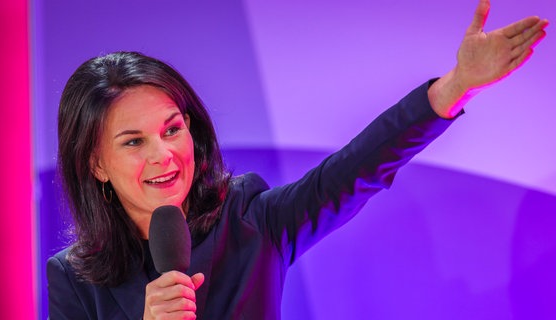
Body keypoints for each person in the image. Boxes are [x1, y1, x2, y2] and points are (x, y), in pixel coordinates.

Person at [46, 1, 548, 319]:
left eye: (172, 129)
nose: (165, 155)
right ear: (95, 163)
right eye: (133, 142)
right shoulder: (72, 278)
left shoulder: (247, 216)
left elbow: (351, 171)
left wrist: (456, 86)